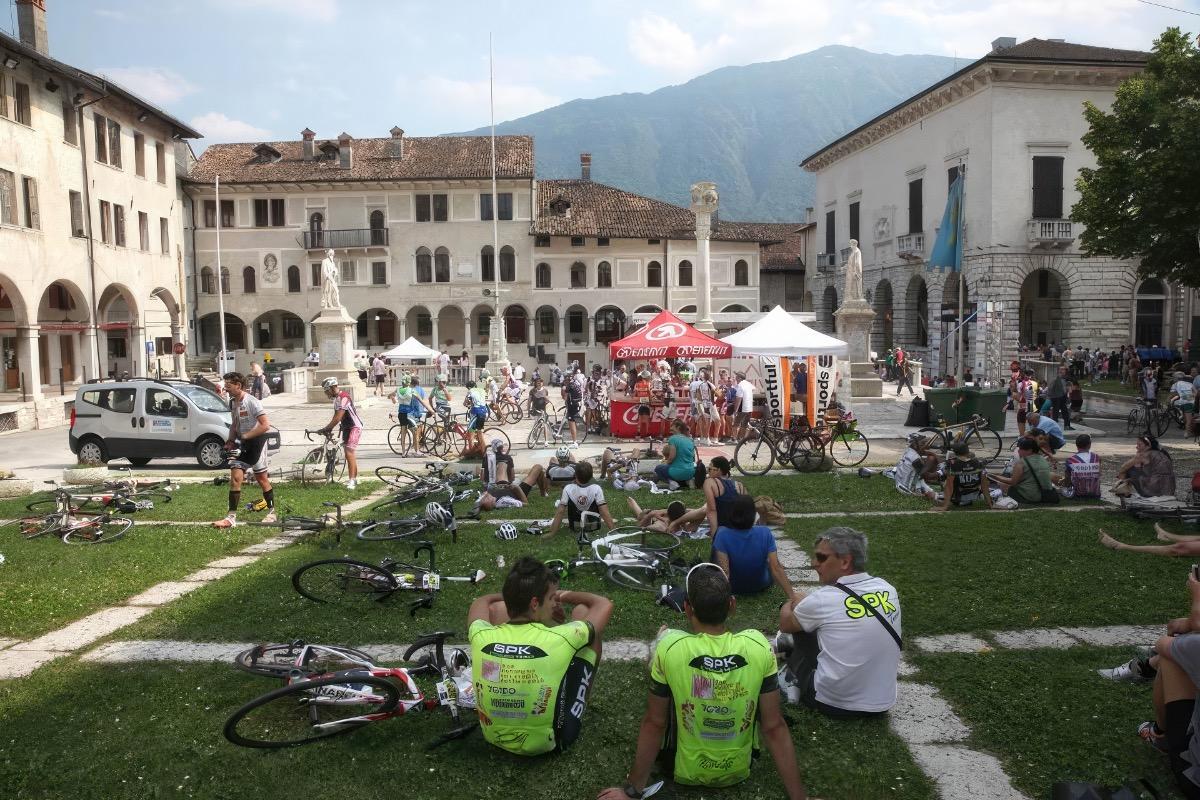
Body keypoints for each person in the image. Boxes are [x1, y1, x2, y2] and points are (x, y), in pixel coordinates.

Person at [597, 563, 806, 800]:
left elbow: (655, 723)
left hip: (679, 768)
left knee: (665, 645)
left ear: (687, 608)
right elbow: (774, 726)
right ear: (732, 606)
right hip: (739, 769)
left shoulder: (671, 646)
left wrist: (631, 791)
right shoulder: (757, 644)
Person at [468, 557, 613, 757]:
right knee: (583, 616)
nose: (554, 602)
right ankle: (579, 704)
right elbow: (602, 604)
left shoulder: (480, 635)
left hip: (493, 736)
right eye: (551, 598)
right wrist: (563, 595)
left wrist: (516, 595)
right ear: (535, 603)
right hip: (550, 742)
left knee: (498, 609)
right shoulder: (560, 638)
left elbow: (482, 601)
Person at [777, 527, 902, 718]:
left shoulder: (822, 600)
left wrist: (792, 601)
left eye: (821, 557)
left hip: (833, 704)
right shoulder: (887, 589)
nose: (813, 563)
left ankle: (791, 679)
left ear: (845, 561)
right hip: (881, 704)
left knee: (799, 628)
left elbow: (786, 623)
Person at [212, 372, 275, 528]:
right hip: (244, 443)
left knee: (261, 479)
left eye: (228, 386)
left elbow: (265, 425)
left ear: (238, 386)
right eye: (225, 386)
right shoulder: (233, 402)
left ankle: (272, 512)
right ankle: (231, 518)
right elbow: (234, 423)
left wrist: (246, 436)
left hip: (257, 443)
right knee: (235, 476)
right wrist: (230, 440)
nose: (226, 389)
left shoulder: (252, 402)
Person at [713, 494, 799, 599]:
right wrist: (792, 597)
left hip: (733, 587)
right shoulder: (765, 532)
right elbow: (776, 568)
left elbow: (725, 571)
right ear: (753, 514)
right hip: (761, 583)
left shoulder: (722, 534)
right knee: (771, 563)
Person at [668, 456, 747, 535]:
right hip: (739, 525)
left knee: (706, 507)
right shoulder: (739, 484)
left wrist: (714, 533)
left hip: (724, 525)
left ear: (718, 470)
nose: (708, 472)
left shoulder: (710, 482)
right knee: (707, 506)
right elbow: (747, 508)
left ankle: (684, 524)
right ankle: (692, 526)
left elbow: (710, 510)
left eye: (709, 469)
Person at [543, 461, 615, 538]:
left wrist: (552, 532)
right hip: (593, 527)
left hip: (575, 527)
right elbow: (604, 512)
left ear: (575, 475)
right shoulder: (596, 488)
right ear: (591, 476)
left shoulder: (568, 488)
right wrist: (614, 531)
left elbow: (560, 511)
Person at [317, 377, 364, 489]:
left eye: (327, 391)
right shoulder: (337, 399)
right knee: (349, 454)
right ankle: (354, 479)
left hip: (354, 427)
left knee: (349, 452)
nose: (327, 393)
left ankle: (352, 481)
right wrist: (328, 428)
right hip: (347, 427)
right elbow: (335, 416)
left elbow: (338, 418)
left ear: (333, 388)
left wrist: (327, 428)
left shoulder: (343, 397)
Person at [989, 437, 1055, 504]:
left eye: (1021, 449)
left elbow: (1013, 482)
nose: (1018, 451)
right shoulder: (1042, 459)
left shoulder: (1021, 463)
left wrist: (995, 477)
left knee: (1002, 485)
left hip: (1032, 497)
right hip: (1046, 494)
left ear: (1030, 450)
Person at [1114, 433, 1177, 499]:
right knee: (1132, 471)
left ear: (1148, 446)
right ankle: (1123, 490)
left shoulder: (1144, 455)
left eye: (1139, 445)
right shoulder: (1160, 452)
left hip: (1154, 491)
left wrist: (1124, 479)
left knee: (1129, 469)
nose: (1136, 447)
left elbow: (1123, 468)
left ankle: (1123, 492)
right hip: (1168, 490)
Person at [934, 442, 993, 511]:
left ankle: (947, 501)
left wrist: (945, 507)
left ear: (955, 453)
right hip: (975, 496)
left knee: (944, 477)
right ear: (968, 451)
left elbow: (949, 487)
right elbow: (984, 485)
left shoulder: (952, 464)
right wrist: (990, 504)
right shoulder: (979, 462)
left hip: (958, 497)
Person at [885, 432, 939, 500]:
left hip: (900, 484)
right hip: (908, 489)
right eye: (922, 443)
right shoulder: (916, 459)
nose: (925, 446)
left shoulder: (908, 451)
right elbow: (926, 475)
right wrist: (940, 473)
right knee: (931, 460)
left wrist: (930, 453)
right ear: (915, 445)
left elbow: (920, 454)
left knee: (929, 459)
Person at [655, 419, 701, 489]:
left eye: (672, 426)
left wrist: (666, 462)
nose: (670, 428)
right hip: (691, 472)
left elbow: (672, 457)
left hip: (676, 472)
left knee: (658, 468)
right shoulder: (690, 440)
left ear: (678, 427)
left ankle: (671, 482)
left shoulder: (673, 439)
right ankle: (688, 481)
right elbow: (693, 458)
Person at [1060, 433, 1101, 499]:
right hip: (1095, 494)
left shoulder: (1071, 460)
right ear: (1089, 445)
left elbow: (1067, 480)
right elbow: (1099, 474)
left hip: (1078, 494)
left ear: (1076, 445)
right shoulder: (1097, 457)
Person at [463, 380, 489, 457]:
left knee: (470, 434)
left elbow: (465, 403)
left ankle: (472, 454)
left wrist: (467, 404)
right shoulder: (482, 390)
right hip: (484, 412)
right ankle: (484, 453)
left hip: (476, 413)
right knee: (480, 433)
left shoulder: (470, 391)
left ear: (469, 387)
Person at [1046, 365, 1073, 429]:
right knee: (1055, 412)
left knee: (1065, 412)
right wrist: (1050, 397)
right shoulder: (1055, 378)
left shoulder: (1065, 379)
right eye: (1061, 369)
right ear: (1059, 371)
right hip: (1056, 397)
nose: (1063, 371)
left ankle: (1067, 426)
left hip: (1063, 397)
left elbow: (1066, 388)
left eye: (1064, 369)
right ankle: (1054, 427)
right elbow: (1050, 388)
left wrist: (1067, 395)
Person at [563, 368, 584, 445]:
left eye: (566, 378)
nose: (565, 380)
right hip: (577, 404)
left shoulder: (570, 385)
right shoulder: (576, 382)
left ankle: (575, 442)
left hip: (572, 406)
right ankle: (575, 440)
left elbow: (565, 395)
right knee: (573, 423)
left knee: (571, 424)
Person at [1172, 371, 1196, 437]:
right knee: (1189, 419)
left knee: (1186, 419)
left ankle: (1189, 432)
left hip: (1181, 404)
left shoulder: (1175, 384)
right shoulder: (1191, 385)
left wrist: (1179, 397)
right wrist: (1188, 397)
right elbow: (1196, 394)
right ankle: (1187, 433)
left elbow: (1174, 394)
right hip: (1189, 403)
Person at [733, 371, 755, 441]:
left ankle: (735, 439)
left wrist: (735, 410)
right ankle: (741, 439)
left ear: (739, 378)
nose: (735, 378)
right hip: (749, 407)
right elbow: (754, 389)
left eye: (736, 376)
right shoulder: (748, 384)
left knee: (735, 424)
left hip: (742, 408)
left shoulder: (740, 385)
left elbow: (738, 398)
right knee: (744, 425)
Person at [632, 370, 653, 441]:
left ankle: (638, 435)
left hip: (640, 403)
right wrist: (651, 402)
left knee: (640, 419)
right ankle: (647, 435)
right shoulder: (648, 384)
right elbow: (650, 394)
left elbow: (634, 395)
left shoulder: (637, 384)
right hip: (646, 403)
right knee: (646, 420)